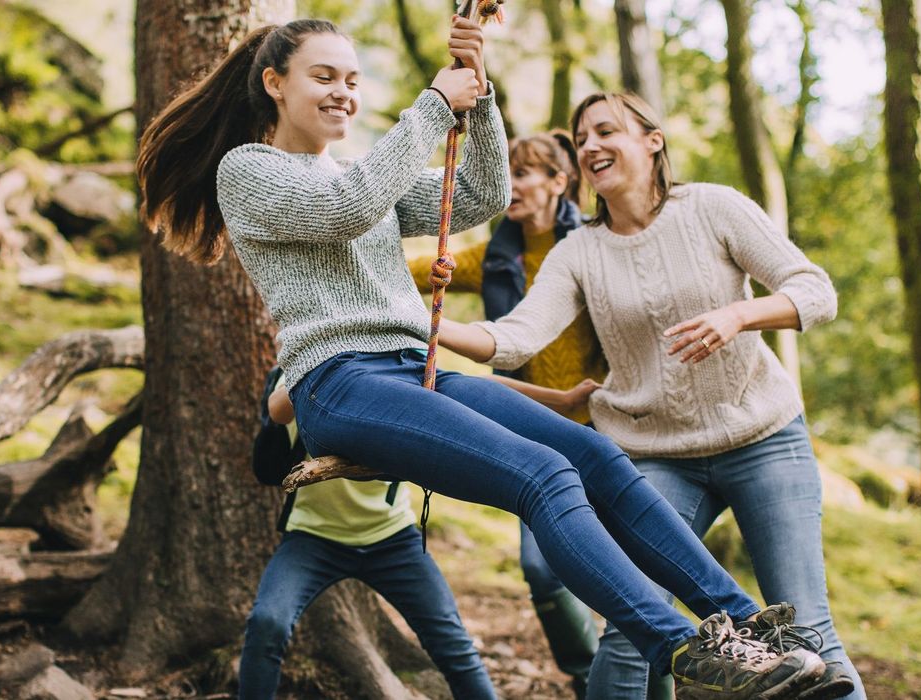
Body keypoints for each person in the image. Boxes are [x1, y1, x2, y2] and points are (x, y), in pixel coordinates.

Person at [137, 16, 828, 700]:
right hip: (342, 382)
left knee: (598, 461)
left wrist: (482, 94)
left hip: (419, 370)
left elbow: (480, 195)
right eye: (324, 77)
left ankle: (746, 624)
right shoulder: (250, 171)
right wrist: (435, 104)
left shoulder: (358, 173)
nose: (344, 92)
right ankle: (680, 647)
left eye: (352, 79)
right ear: (274, 84)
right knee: (544, 476)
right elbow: (347, 207)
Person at [432, 92, 864, 700]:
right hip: (653, 453)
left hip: (764, 439)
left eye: (606, 131)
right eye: (582, 139)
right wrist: (424, 326)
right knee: (632, 632)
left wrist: (739, 315)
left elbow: (814, 291)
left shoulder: (713, 208)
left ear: (652, 140)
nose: (590, 147)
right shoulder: (578, 251)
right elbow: (514, 336)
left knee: (804, 624)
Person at [408, 130, 624, 699]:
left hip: (608, 422)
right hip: (536, 428)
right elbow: (406, 269)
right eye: (509, 171)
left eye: (525, 173)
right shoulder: (495, 254)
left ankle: (640, 676)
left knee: (623, 564)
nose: (513, 185)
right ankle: (585, 675)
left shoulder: (595, 246)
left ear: (560, 182)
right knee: (540, 566)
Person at [240, 369, 496, 699]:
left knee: (453, 643)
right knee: (267, 623)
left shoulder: (394, 370)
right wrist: (310, 359)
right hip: (312, 537)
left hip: (392, 538)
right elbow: (278, 409)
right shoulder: (298, 371)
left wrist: (560, 399)